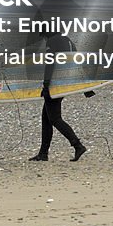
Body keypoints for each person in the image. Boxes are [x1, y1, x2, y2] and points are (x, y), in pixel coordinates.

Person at [29, 30, 87, 162]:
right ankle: (43, 153)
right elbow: (77, 61)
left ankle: (78, 145)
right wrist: (85, 86)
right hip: (65, 83)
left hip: (55, 85)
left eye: (43, 36)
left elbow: (50, 64)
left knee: (55, 119)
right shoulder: (68, 41)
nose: (44, 39)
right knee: (46, 117)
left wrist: (46, 85)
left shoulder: (52, 41)